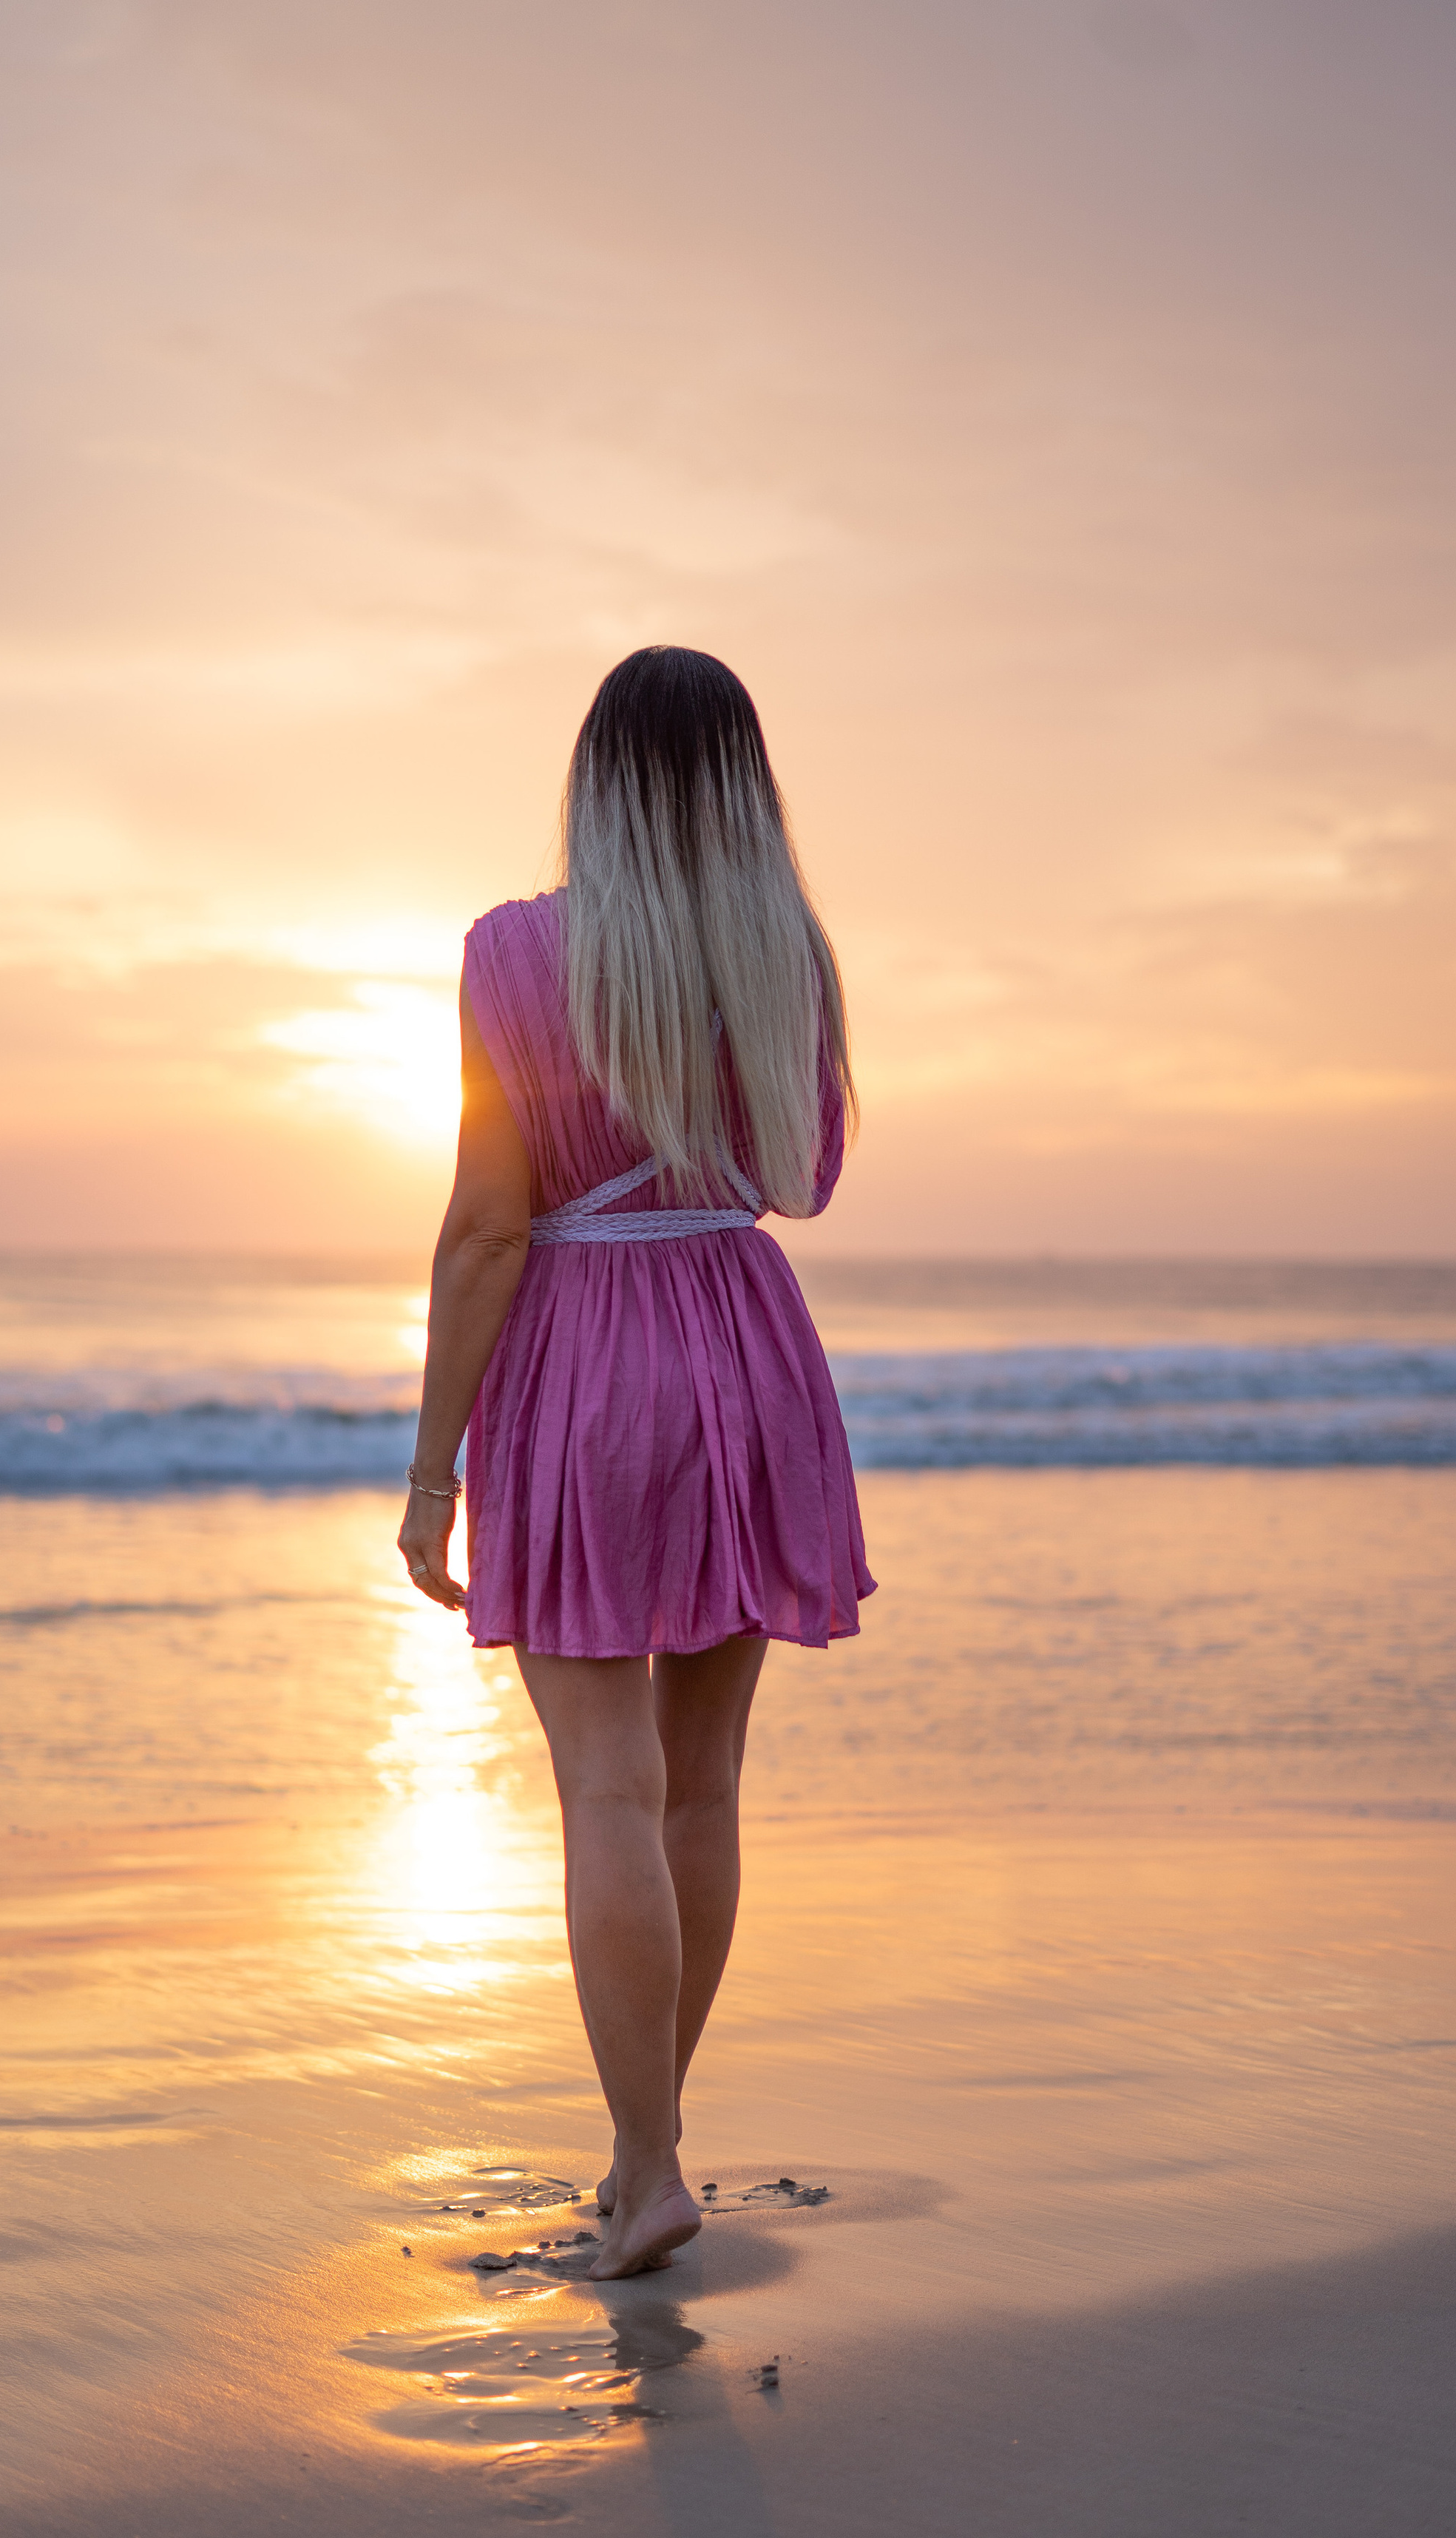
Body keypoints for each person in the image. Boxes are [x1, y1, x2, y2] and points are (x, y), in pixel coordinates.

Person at [396, 646, 874, 2278]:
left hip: (587, 1358)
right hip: (741, 1348)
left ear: (592, 777)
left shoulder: (513, 952)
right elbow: (800, 1179)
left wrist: (428, 1466)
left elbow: (482, 1228)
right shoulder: (782, 951)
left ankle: (650, 2163)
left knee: (604, 1786)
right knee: (700, 1785)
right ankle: (642, 2149)